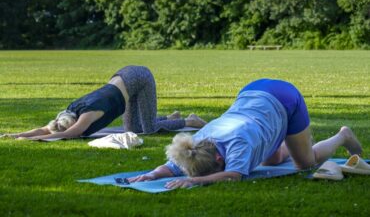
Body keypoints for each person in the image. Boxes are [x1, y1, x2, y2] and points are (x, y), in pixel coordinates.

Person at [128, 78, 363, 188]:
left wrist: (194, 181)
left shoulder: (238, 146)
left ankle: (342, 135)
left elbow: (234, 175)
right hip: (252, 92)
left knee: (305, 162)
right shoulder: (196, 145)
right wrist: (152, 174)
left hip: (285, 98)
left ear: (220, 159)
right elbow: (175, 165)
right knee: (270, 159)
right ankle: (293, 141)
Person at [10, 65, 206, 140]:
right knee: (134, 129)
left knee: (149, 129)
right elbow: (45, 129)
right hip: (125, 78)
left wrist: (31, 139)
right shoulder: (68, 112)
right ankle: (169, 117)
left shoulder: (87, 115)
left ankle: (190, 121)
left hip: (140, 78)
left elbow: (72, 133)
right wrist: (17, 134)